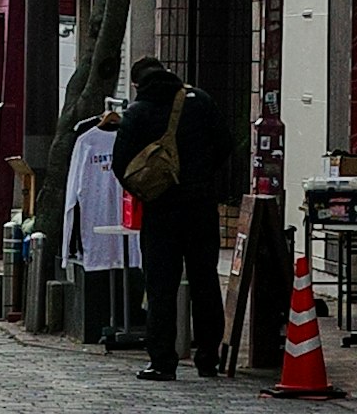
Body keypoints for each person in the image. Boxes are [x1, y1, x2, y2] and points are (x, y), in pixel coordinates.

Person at [116, 51, 233, 379]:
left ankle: (162, 361)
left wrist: (147, 189)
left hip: (160, 211)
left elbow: (121, 163)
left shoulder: (137, 112)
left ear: (137, 83)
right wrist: (202, 176)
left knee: (161, 286)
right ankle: (209, 358)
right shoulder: (200, 101)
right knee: (205, 282)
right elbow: (225, 144)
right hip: (200, 207)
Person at [63, 100, 136, 349]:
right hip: (98, 225)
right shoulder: (87, 141)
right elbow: (73, 194)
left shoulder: (132, 136)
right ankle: (117, 322)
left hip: (128, 222)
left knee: (129, 266)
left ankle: (126, 322)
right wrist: (68, 247)